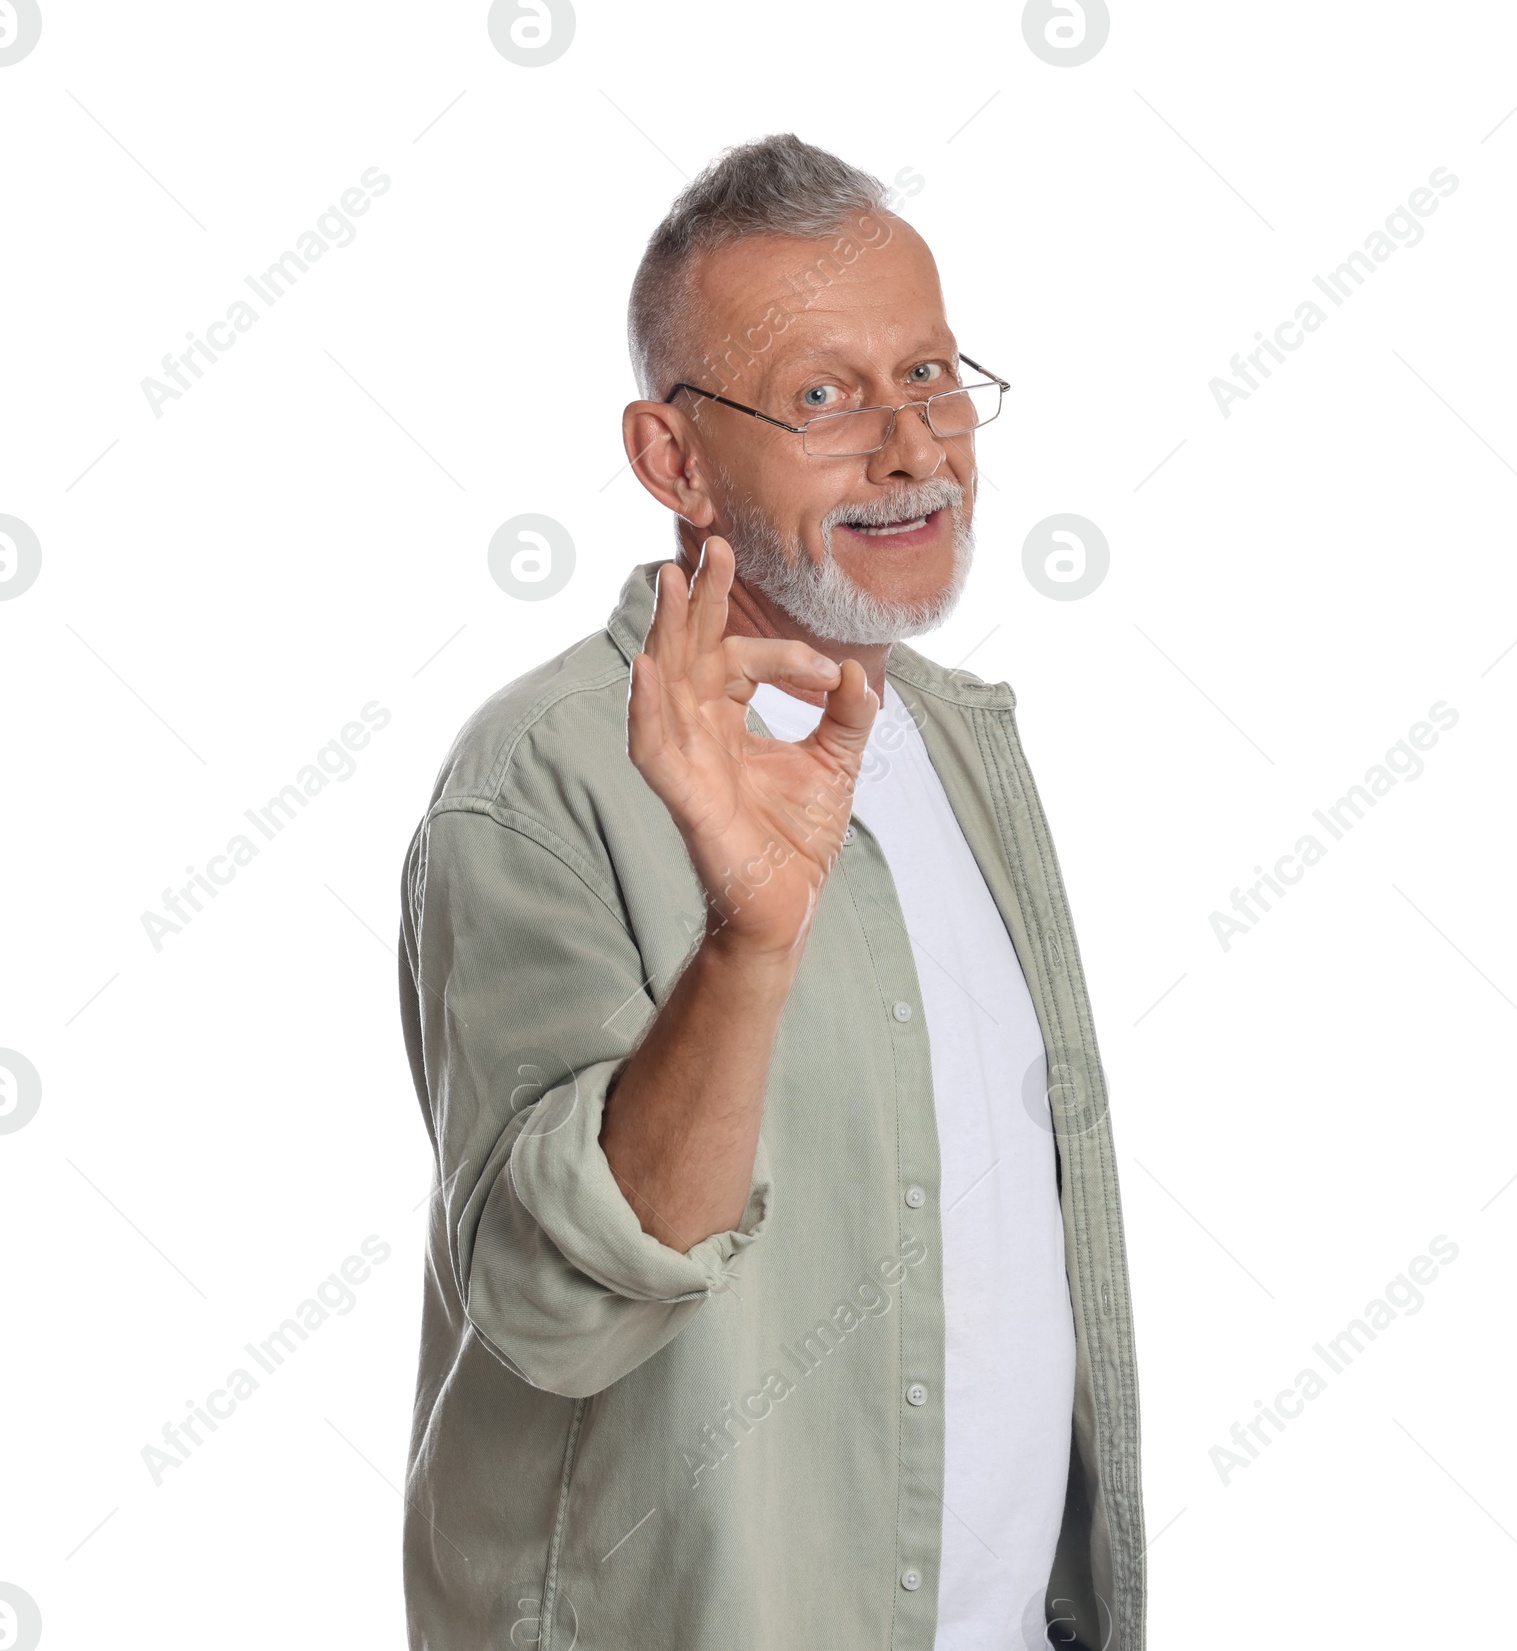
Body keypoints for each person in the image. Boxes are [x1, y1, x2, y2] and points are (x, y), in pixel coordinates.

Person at [398, 133, 1146, 1651]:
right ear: (673, 461)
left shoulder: (960, 743)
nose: (918, 447)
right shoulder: (540, 780)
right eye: (825, 397)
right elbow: (552, 1309)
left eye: (933, 375)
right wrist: (750, 937)